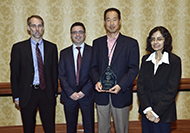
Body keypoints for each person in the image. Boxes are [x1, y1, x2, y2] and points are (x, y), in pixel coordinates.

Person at [90, 8, 139, 133]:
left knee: (121, 129)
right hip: (102, 94)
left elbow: (133, 69)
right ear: (104, 22)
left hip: (121, 94)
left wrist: (120, 85)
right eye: (108, 20)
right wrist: (96, 81)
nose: (111, 23)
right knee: (102, 129)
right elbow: (93, 67)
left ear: (120, 21)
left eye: (114, 19)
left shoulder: (131, 43)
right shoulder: (97, 43)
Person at [10, 15, 58, 133]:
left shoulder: (52, 47)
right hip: (27, 94)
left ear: (43, 27)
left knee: (50, 128)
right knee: (28, 128)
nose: (37, 29)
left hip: (46, 93)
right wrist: (16, 96)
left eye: (40, 26)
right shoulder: (18, 48)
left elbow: (54, 72)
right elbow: (14, 74)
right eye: (34, 26)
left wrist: (54, 93)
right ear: (28, 28)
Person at [137, 26, 181, 133]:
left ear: (166, 40)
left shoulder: (174, 61)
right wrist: (148, 110)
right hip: (146, 110)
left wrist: (155, 113)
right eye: (153, 39)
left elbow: (172, 90)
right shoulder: (145, 59)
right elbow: (140, 86)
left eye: (159, 39)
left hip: (163, 111)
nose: (155, 42)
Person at [58, 22, 95, 133]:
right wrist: (71, 92)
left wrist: (83, 92)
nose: (77, 35)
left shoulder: (93, 51)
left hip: (87, 95)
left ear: (84, 34)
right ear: (71, 35)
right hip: (69, 96)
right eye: (74, 32)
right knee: (70, 126)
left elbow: (94, 74)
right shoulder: (64, 53)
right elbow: (61, 75)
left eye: (80, 32)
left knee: (89, 127)